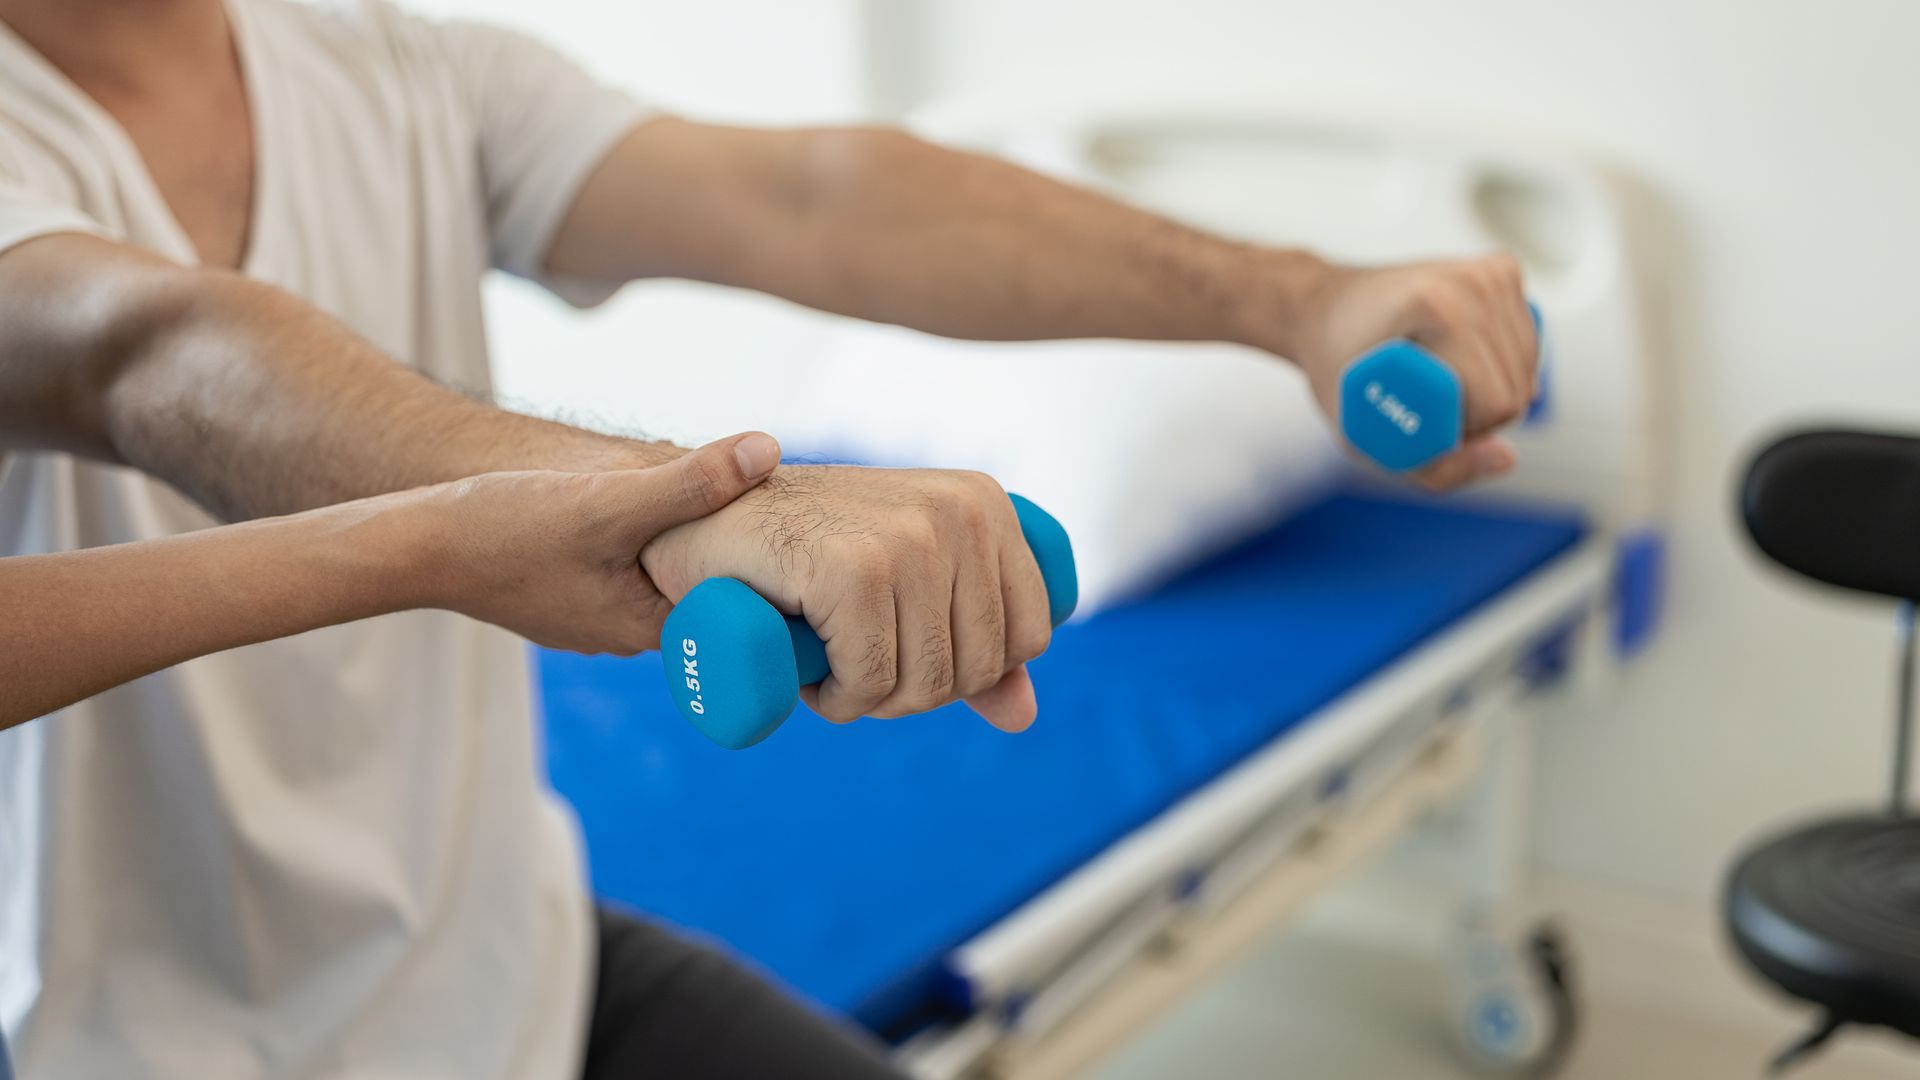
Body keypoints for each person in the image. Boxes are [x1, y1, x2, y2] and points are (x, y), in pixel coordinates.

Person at [0, 0, 1540, 1076]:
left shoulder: (398, 73)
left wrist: (1291, 299)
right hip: (105, 1043)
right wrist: (658, 511)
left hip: (503, 981)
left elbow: (810, 197)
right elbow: (154, 355)